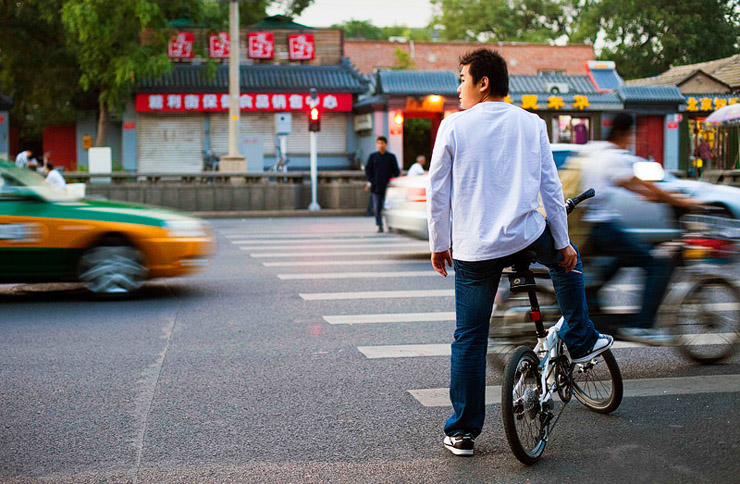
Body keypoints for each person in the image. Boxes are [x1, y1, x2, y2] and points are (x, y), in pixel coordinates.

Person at [427, 48, 612, 457]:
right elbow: (551, 187)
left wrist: (440, 242)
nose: (458, 88)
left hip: (475, 248)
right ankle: (581, 338)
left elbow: (437, 191)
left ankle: (462, 432)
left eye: (462, 79)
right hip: (527, 236)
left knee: (469, 338)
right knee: (568, 263)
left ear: (483, 82)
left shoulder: (453, 127)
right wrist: (562, 244)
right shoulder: (531, 123)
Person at [580, 113, 699, 344]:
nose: (631, 139)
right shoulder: (613, 157)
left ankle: (592, 293)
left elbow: (637, 187)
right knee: (656, 263)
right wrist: (680, 201)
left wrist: (658, 196)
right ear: (624, 134)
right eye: (631, 134)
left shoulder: (597, 150)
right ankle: (642, 325)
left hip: (591, 225)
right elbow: (638, 183)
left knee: (627, 255)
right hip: (601, 227)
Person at [365, 136, 400, 232]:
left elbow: (396, 171)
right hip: (376, 186)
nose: (380, 145)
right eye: (379, 143)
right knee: (377, 207)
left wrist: (392, 181)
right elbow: (368, 170)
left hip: (388, 187)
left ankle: (391, 225)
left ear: (386, 144)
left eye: (382, 143)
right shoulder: (373, 157)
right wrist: (371, 180)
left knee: (389, 207)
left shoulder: (391, 157)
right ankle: (379, 225)